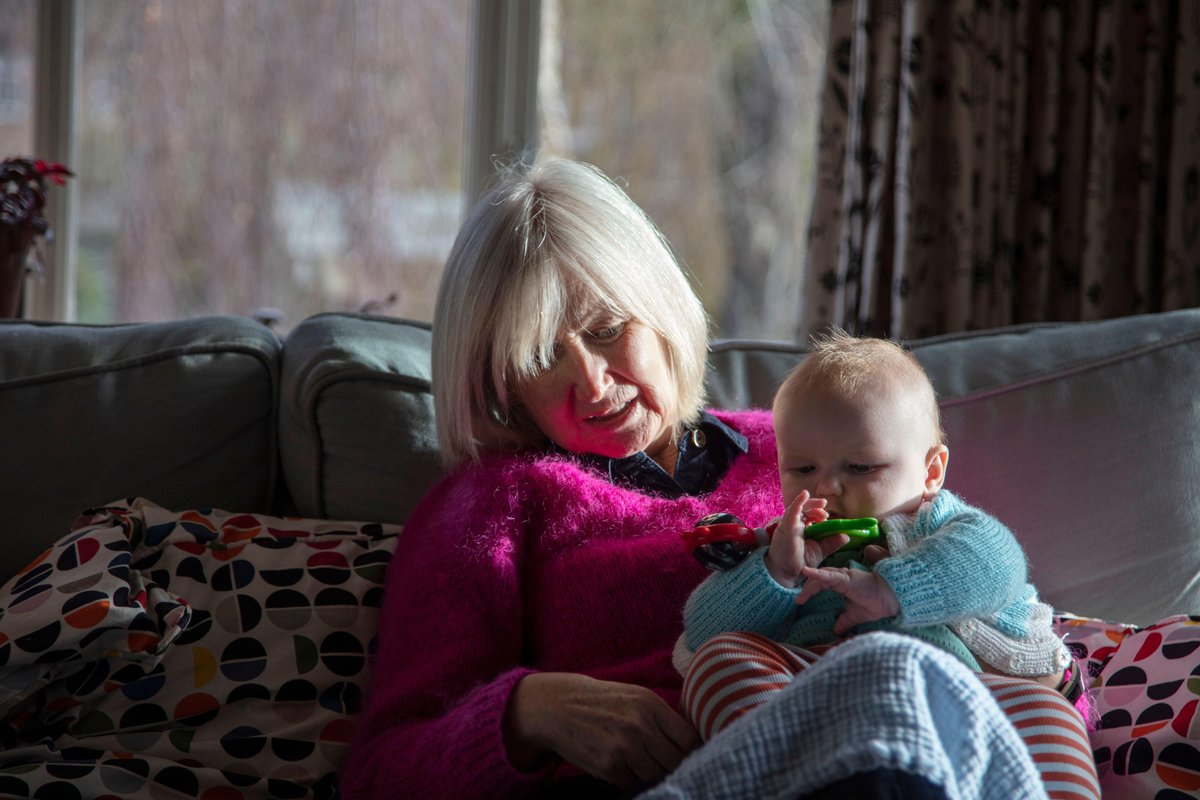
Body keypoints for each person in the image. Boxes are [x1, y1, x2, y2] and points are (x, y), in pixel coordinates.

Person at [339, 158, 1095, 799]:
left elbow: (971, 577)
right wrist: (525, 712)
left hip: (904, 746)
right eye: (543, 359)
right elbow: (377, 772)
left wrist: (1044, 684)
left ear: (660, 309)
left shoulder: (806, 442)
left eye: (606, 330)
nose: (595, 385)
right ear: (503, 384)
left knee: (900, 678)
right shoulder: (488, 505)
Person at [676, 333, 1099, 800]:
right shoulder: (781, 544)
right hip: (813, 699)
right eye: (801, 469)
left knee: (1047, 712)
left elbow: (1001, 564)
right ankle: (783, 778)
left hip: (955, 692)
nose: (827, 488)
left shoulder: (940, 523)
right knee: (720, 661)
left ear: (931, 472)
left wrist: (892, 589)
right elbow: (700, 631)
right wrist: (774, 574)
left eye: (860, 468)